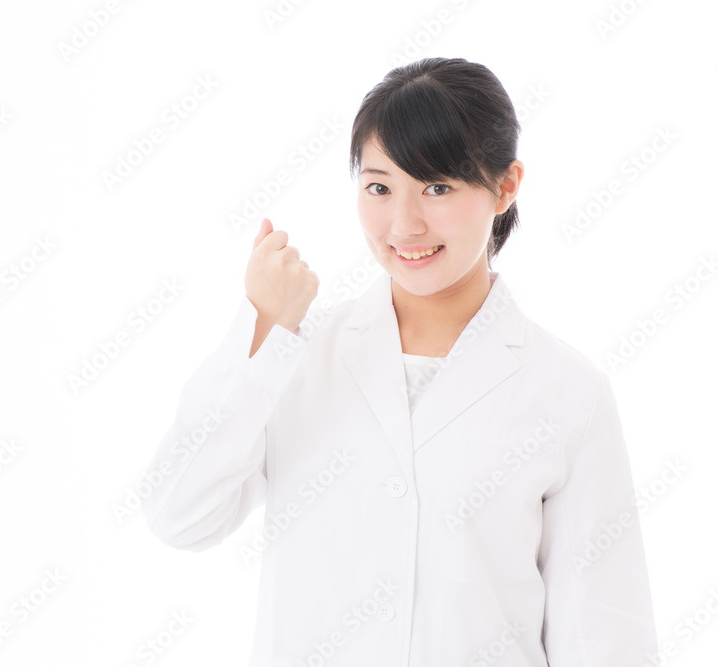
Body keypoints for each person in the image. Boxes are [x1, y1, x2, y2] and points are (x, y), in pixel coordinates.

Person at [141, 57, 658, 666]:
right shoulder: (296, 359)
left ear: (506, 185)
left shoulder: (569, 392)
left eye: (438, 187)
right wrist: (261, 329)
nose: (404, 225)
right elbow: (181, 518)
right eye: (380, 187)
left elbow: (603, 638)